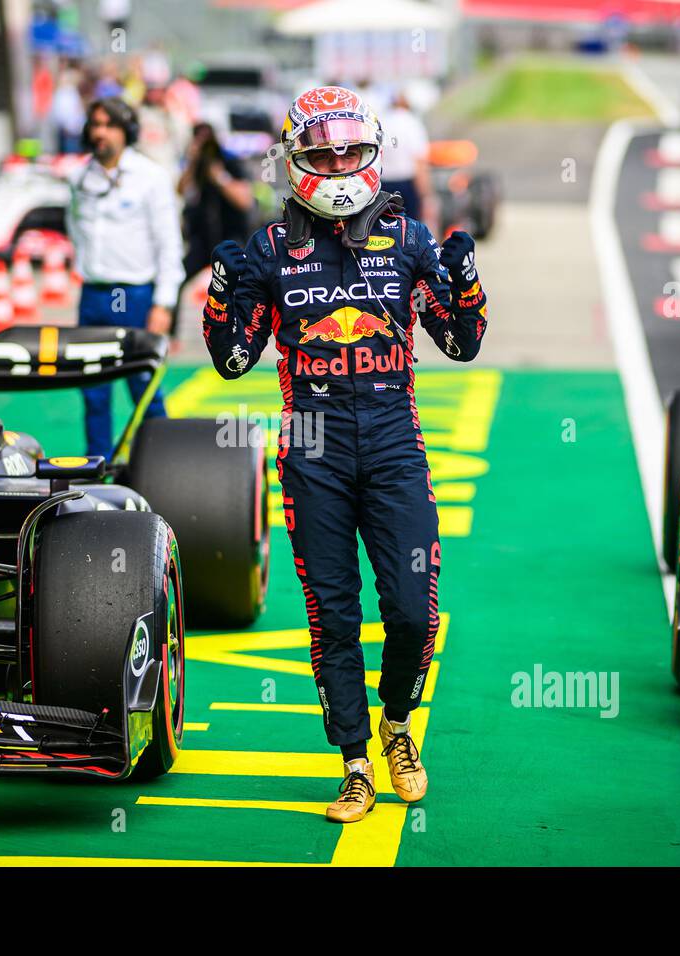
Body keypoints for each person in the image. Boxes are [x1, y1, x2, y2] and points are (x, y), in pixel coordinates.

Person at [200, 86, 487, 823]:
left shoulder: (410, 238)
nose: (335, 165)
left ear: (371, 152)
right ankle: (355, 762)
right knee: (332, 615)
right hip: (311, 449)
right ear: (295, 157)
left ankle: (397, 727)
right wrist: (222, 294)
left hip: (396, 442)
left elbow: (461, 342)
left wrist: (465, 277)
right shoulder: (271, 248)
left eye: (348, 151)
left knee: (412, 614)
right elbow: (233, 360)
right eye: (321, 153)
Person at [68, 97, 184, 458]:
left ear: (127, 131)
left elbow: (169, 244)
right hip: (92, 295)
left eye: (109, 125)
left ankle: (163, 466)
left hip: (134, 296)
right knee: (93, 392)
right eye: (95, 124)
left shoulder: (150, 177)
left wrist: (163, 304)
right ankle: (97, 467)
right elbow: (74, 230)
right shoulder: (78, 177)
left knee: (145, 389)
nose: (99, 132)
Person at [178, 122, 253, 283]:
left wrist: (219, 177)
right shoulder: (194, 166)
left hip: (230, 239)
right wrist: (192, 162)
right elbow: (181, 191)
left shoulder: (230, 162)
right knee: (182, 280)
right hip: (200, 242)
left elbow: (245, 201)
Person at [380, 89, 435, 229]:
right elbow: (420, 161)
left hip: (382, 184)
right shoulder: (412, 122)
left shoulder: (382, 121)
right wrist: (426, 195)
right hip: (406, 184)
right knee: (410, 229)